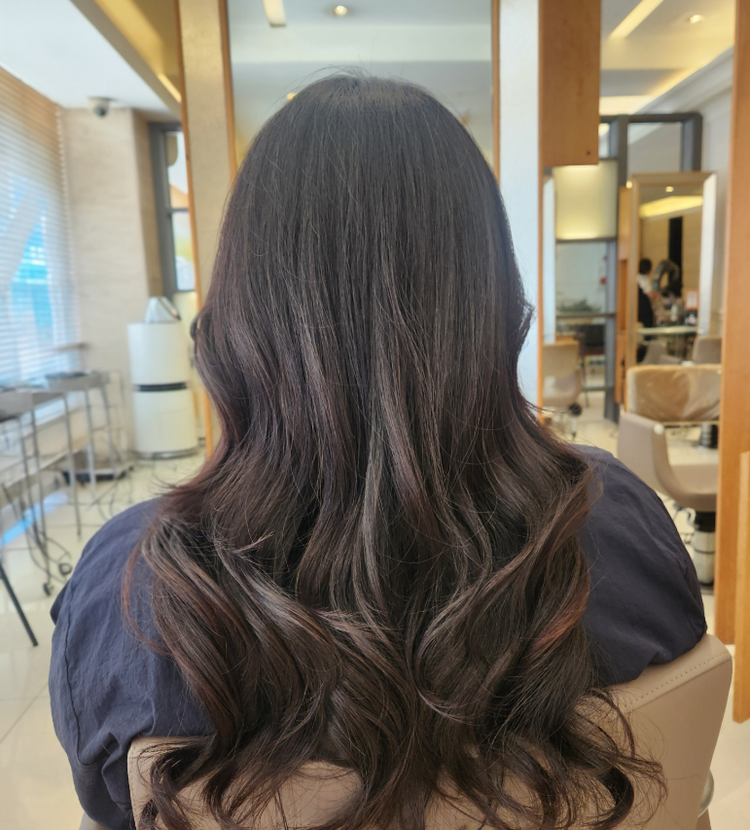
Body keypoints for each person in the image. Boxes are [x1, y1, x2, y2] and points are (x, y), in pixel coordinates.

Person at [50, 77, 705, 830]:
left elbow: (112, 805)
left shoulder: (130, 585)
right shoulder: (621, 521)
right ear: (491, 304)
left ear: (240, 318)